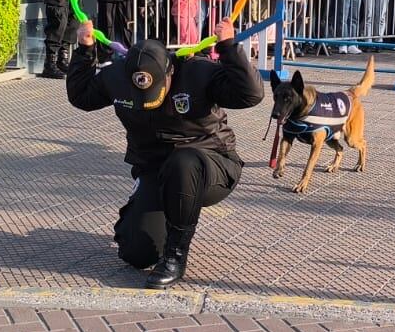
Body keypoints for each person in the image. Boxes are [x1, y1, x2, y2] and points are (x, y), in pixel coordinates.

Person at [67, 18, 263, 288]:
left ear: (170, 72)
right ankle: (156, 225)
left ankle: (175, 257)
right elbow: (81, 97)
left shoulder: (197, 72)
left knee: (184, 162)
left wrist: (229, 47)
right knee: (136, 254)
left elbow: (251, 95)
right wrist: (84, 50)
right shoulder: (116, 77)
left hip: (210, 164)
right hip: (156, 170)